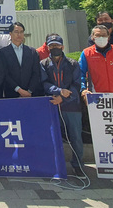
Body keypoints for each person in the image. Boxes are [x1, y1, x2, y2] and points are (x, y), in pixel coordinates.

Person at [40, 34, 85, 177]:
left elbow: (77, 84)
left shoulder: (73, 63)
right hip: (52, 104)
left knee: (76, 137)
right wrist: (58, 92)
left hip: (72, 106)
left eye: (57, 45)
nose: (55, 48)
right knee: (53, 137)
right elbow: (44, 83)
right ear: (48, 47)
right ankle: (54, 164)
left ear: (62, 47)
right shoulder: (43, 64)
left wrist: (64, 98)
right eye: (51, 46)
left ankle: (78, 165)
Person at [1, 22, 43, 98]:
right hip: (12, 94)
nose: (19, 34)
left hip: (30, 94)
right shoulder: (3, 52)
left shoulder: (32, 52)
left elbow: (36, 73)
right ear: (10, 34)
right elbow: (5, 74)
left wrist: (29, 91)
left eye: (21, 32)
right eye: (16, 32)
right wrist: (18, 89)